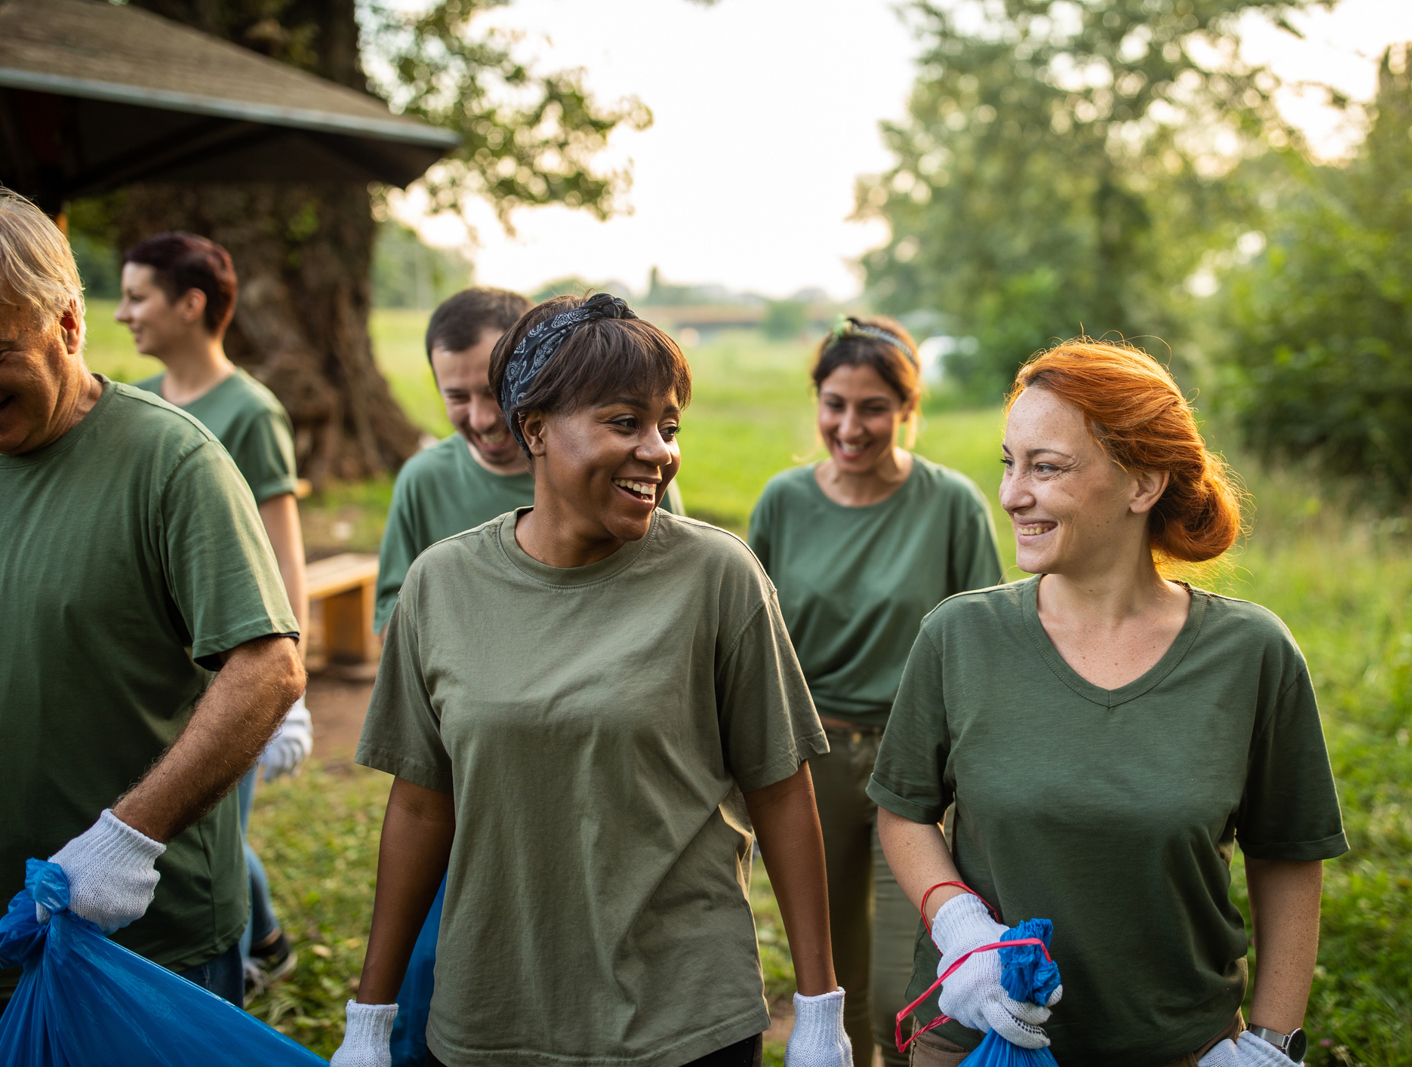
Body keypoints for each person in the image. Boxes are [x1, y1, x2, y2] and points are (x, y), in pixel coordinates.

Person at [331, 294, 851, 1067]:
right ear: (534, 428)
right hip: (495, 1012)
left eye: (668, 426)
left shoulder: (717, 577)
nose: (658, 451)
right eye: (623, 422)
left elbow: (780, 786)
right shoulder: (441, 586)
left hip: (682, 1017)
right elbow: (418, 802)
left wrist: (819, 1010)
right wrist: (370, 1017)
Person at [871, 339, 1347, 1067]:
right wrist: (958, 921)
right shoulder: (959, 635)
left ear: (1143, 482)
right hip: (980, 1041)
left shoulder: (1251, 654)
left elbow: (1286, 856)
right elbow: (903, 808)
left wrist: (1270, 1045)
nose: (1012, 493)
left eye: (1046, 467)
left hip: (1179, 1048)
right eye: (1009, 461)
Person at [0, 190, 305, 1012]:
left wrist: (127, 838)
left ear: (66, 324)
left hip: (139, 945)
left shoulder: (172, 459)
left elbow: (270, 664)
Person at [747, 316, 1002, 1067]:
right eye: (834, 403)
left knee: (903, 986)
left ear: (908, 408)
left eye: (872, 407)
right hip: (808, 760)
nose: (849, 426)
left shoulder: (950, 504)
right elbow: (750, 643)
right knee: (834, 983)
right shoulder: (783, 502)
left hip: (914, 772)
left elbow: (982, 648)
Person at [118, 230, 313, 998]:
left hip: (226, 668)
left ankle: (237, 958)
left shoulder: (250, 411)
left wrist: (287, 692)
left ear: (191, 304)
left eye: (138, 295)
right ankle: (269, 937)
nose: (125, 312)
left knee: (206, 839)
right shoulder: (134, 405)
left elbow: (280, 548)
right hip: (152, 672)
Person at [374, 286, 685, 636]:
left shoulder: (630, 479)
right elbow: (396, 618)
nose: (480, 419)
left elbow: (672, 573)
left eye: (494, 393)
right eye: (458, 397)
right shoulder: (424, 481)